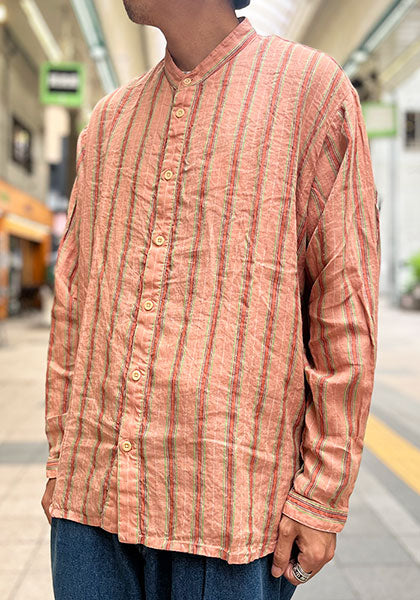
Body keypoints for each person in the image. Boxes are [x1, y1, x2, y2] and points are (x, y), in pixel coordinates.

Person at [41, 0, 381, 598]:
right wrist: (61, 455)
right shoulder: (108, 123)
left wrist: (322, 494)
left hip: (229, 515)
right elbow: (73, 302)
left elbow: (343, 306)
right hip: (90, 510)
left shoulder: (312, 95)